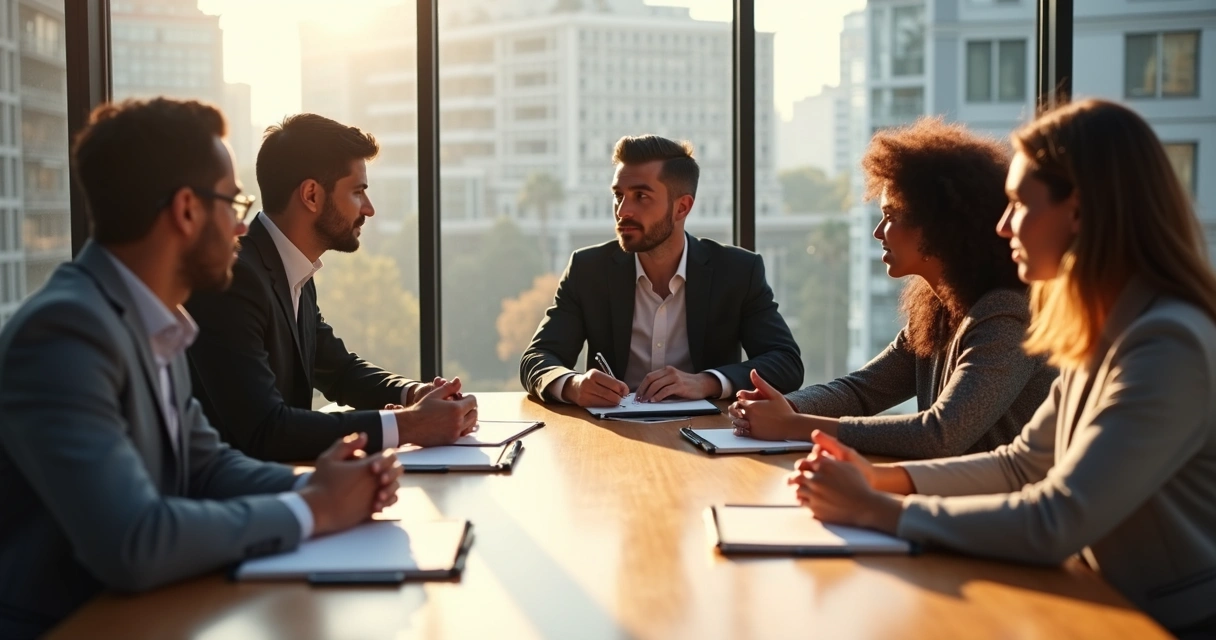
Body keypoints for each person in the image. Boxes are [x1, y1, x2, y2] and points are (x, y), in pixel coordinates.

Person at [789, 99, 1216, 636]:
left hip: (1168, 623)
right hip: (1093, 603)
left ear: (1078, 212)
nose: (1002, 224)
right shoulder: (1107, 330)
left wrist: (879, 510)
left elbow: (1056, 520)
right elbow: (1020, 465)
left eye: (1017, 203)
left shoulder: (1166, 343)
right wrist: (880, 477)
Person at [0, 98, 403, 639]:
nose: (242, 229)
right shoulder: (66, 333)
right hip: (76, 624)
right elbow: (133, 540)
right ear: (187, 210)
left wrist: (319, 487)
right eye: (233, 203)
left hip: (151, 611)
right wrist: (314, 511)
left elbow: (207, 467)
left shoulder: (154, 321)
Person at [729, 118, 1056, 459]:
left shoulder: (1005, 313)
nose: (879, 232)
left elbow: (939, 435)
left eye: (892, 215)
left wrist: (790, 424)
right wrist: (779, 407)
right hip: (945, 499)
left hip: (994, 507)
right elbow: (862, 392)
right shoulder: (937, 309)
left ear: (941, 226)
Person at [185, 113, 477, 462]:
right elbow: (267, 429)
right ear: (311, 194)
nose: (368, 209)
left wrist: (413, 394)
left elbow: (338, 371)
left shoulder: (290, 269)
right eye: (357, 192)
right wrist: (409, 426)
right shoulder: (235, 280)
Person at [519, 134, 803, 407]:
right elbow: (537, 358)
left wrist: (707, 382)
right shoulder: (588, 270)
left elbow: (785, 362)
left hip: (708, 438)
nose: (622, 211)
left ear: (682, 207)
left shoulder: (738, 271)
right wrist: (573, 385)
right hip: (612, 438)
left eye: (641, 196)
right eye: (619, 195)